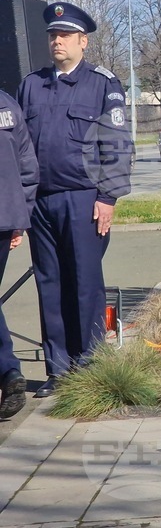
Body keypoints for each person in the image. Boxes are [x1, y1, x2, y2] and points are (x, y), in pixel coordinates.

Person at [17, 1, 132, 398]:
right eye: (52, 35)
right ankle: (59, 370)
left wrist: (108, 196)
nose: (57, 41)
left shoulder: (102, 84)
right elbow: (20, 149)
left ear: (83, 42)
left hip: (85, 200)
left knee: (84, 284)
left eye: (64, 35)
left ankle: (90, 365)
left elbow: (116, 145)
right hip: (40, 203)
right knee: (50, 285)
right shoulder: (32, 85)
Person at [0, 90, 39, 417]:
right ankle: (8, 371)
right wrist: (19, 218)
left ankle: (7, 369)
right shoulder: (7, 104)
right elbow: (28, 164)